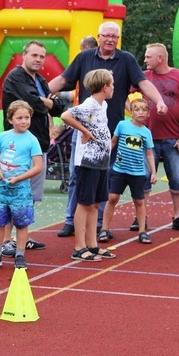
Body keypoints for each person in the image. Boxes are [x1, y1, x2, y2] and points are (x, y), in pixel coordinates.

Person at [49, 22, 167, 238]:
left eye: (115, 36)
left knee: (105, 178)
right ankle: (70, 221)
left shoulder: (126, 59)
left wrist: (158, 100)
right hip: (84, 130)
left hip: (111, 133)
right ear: (99, 37)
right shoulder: (85, 58)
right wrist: (40, 92)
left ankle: (100, 223)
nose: (111, 39)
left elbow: (143, 83)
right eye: (106, 36)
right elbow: (64, 79)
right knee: (77, 176)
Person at [0, 40, 65, 254]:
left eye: (41, 56)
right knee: (16, 194)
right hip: (19, 147)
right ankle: (7, 240)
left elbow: (58, 108)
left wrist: (47, 102)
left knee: (29, 196)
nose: (38, 60)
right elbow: (34, 104)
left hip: (38, 145)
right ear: (24, 55)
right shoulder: (16, 77)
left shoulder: (40, 80)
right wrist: (46, 102)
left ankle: (21, 237)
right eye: (34, 55)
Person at [60, 69, 116, 262]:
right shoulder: (89, 104)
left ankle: (92, 244)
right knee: (84, 203)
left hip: (101, 160)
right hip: (88, 161)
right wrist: (84, 131)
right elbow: (66, 116)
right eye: (112, 84)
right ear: (105, 87)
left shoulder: (103, 105)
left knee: (95, 203)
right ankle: (79, 246)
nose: (114, 88)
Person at [141, 43, 179, 233]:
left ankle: (178, 216)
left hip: (173, 137)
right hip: (147, 138)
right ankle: (141, 217)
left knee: (177, 178)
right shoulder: (143, 77)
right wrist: (133, 112)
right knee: (144, 177)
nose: (145, 60)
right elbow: (124, 92)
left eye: (148, 57)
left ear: (160, 58)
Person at [0, 100, 43, 270]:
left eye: (27, 117)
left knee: (21, 223)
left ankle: (20, 255)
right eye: (19, 118)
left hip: (21, 189)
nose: (24, 121)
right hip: (1, 188)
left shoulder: (32, 140)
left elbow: (38, 166)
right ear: (10, 119)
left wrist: (19, 178)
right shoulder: (3, 136)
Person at [101, 98, 157, 244]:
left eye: (144, 109)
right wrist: (104, 156)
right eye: (137, 109)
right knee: (112, 197)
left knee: (139, 201)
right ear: (131, 112)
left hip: (137, 173)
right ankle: (104, 229)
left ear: (148, 114)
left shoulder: (146, 133)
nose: (140, 112)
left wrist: (153, 172)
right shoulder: (122, 125)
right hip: (119, 170)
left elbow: (149, 153)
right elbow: (113, 142)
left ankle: (142, 232)